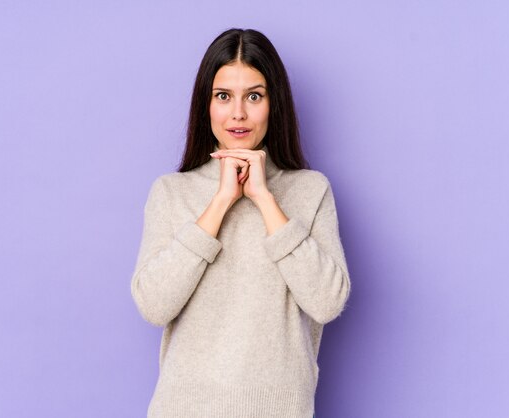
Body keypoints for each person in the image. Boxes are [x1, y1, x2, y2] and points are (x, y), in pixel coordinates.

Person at [130, 27, 351, 418]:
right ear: (206, 106)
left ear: (274, 104)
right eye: (223, 96)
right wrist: (221, 201)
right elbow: (153, 305)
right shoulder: (171, 192)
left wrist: (265, 200)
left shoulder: (309, 190)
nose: (238, 113)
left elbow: (327, 301)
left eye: (254, 96)